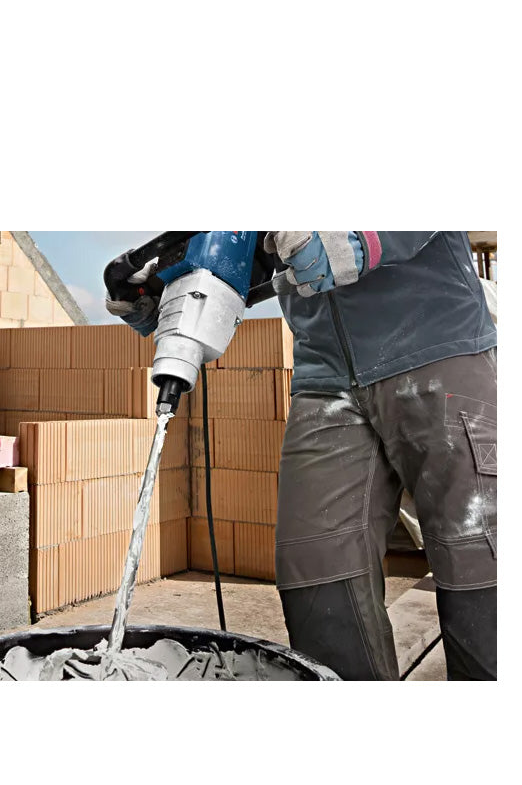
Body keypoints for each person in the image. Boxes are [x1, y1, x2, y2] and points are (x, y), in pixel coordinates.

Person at [108, 231, 497, 681]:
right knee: (317, 572)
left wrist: (363, 237)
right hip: (324, 375)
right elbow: (254, 250)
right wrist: (165, 286)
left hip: (438, 346)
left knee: (480, 557)